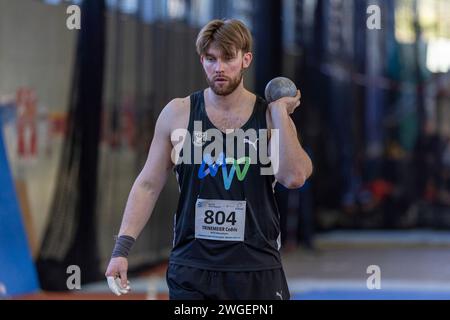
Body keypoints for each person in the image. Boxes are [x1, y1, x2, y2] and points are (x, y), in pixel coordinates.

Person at [105, 19, 313, 300]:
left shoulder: (269, 117)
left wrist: (280, 114)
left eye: (228, 58)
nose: (219, 68)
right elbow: (147, 185)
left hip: (256, 268)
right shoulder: (178, 113)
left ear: (245, 59)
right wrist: (121, 250)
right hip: (192, 269)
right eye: (211, 59)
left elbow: (295, 177)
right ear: (202, 60)